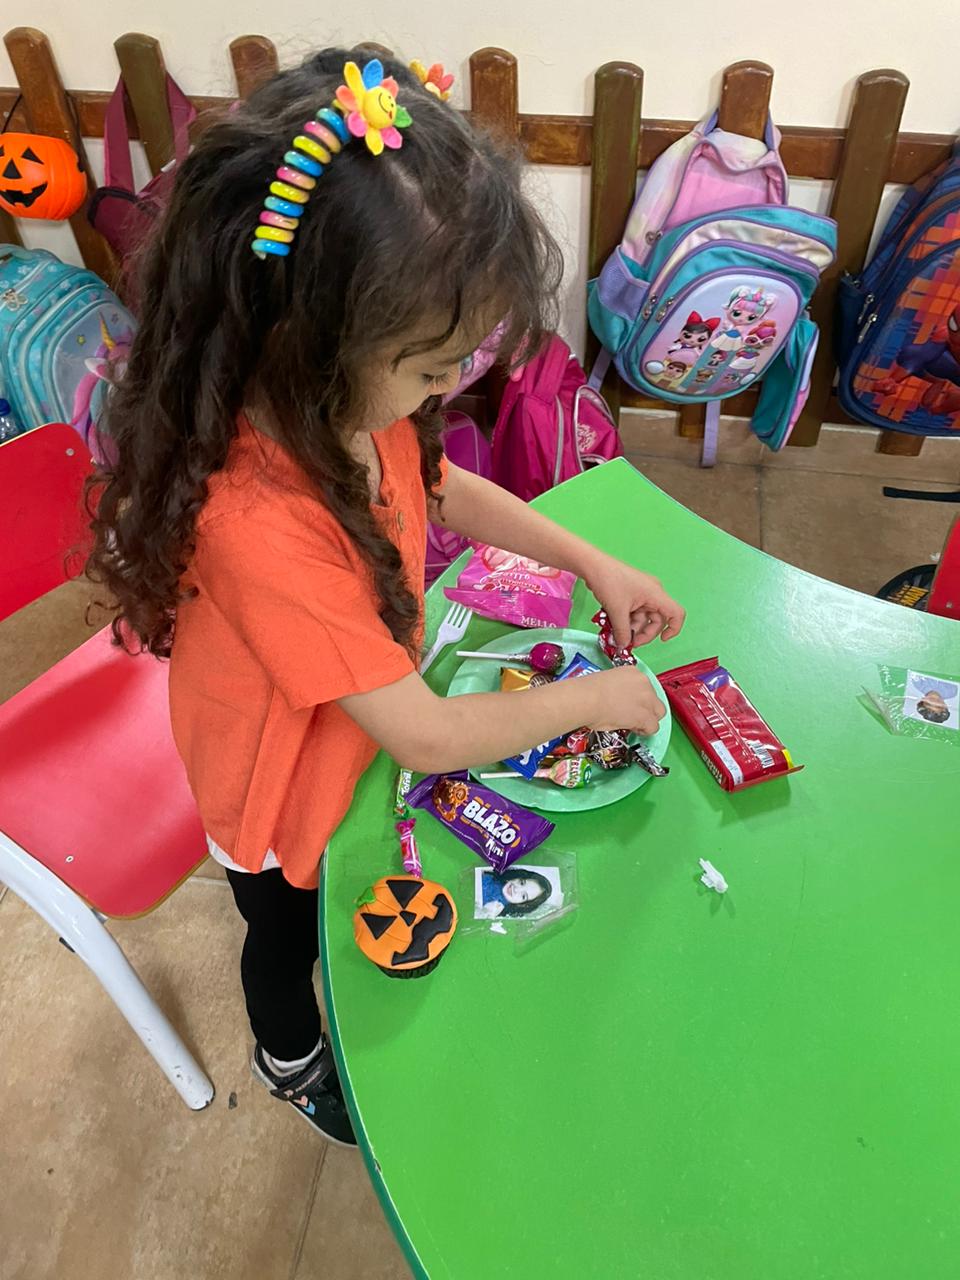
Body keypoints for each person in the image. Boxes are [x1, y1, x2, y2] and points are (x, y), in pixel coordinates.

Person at [87, 47, 686, 1147]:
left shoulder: (348, 404)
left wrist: (592, 562)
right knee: (286, 938)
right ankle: (289, 1055)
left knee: (350, 887)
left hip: (350, 725)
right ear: (308, 336)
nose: (448, 388)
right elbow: (425, 733)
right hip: (277, 789)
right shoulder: (258, 520)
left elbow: (447, 486)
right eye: (429, 367)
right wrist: (597, 699)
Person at [478, 867, 555, 918]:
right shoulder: (494, 874)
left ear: (522, 904)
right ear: (519, 876)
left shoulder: (496, 909)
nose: (516, 889)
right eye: (522, 883)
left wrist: (485, 912)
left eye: (523, 896)